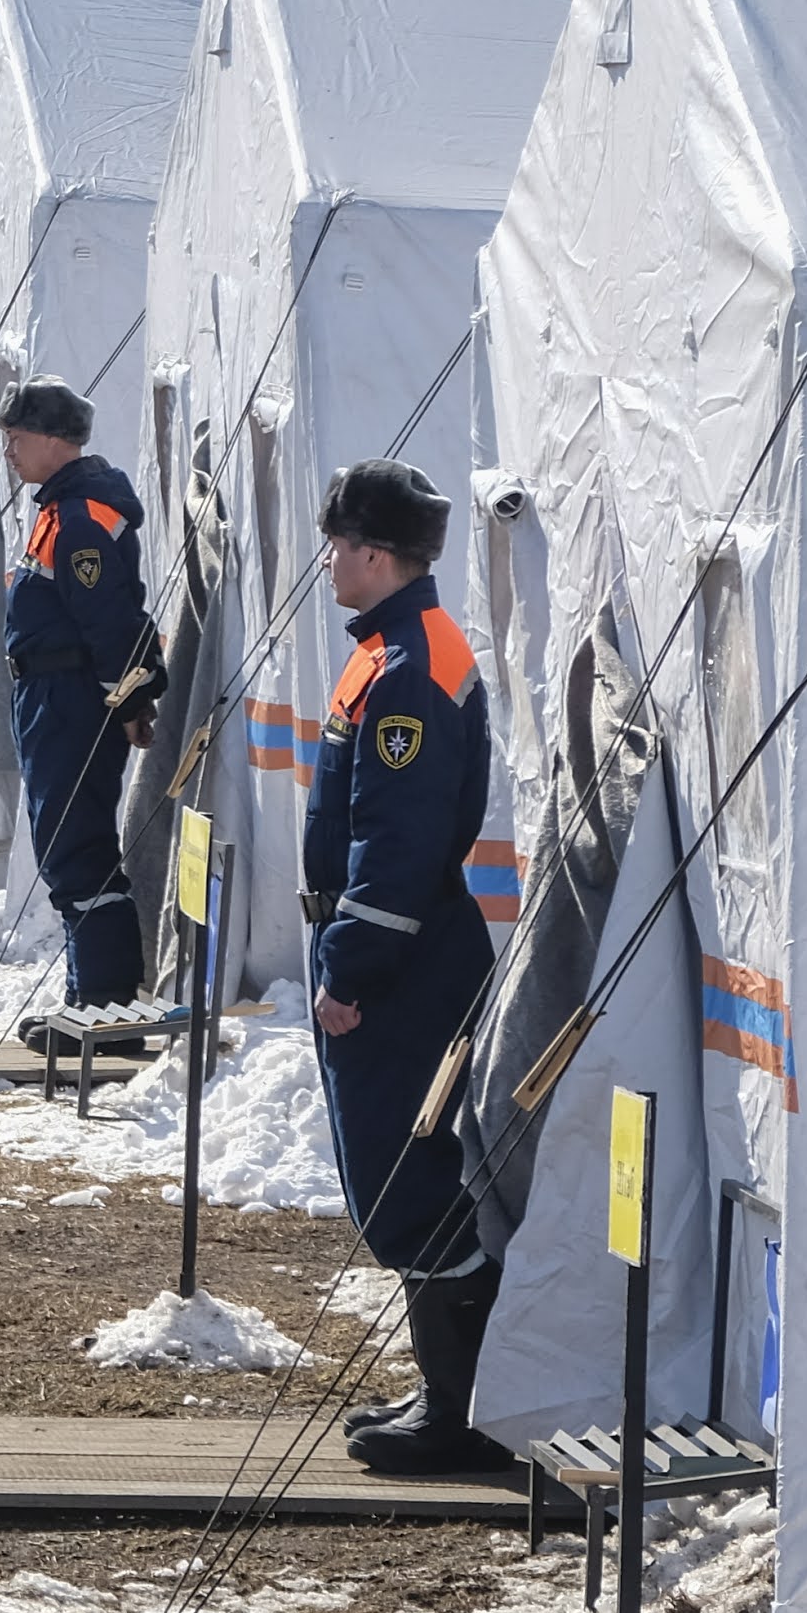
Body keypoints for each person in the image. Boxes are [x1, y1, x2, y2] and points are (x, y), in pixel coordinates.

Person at [302, 459, 507, 1481]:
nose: (329, 562)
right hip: (395, 947)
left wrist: (349, 966)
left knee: (411, 1180)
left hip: (402, 958)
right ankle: (444, 1387)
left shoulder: (409, 672)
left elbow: (398, 845)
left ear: (376, 554)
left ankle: (461, 1411)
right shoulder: (392, 649)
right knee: (395, 1176)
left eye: (338, 545)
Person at [0, 381, 162, 1020]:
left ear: (52, 440)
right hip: (47, 693)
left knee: (76, 843)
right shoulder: (58, 508)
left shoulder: (81, 518)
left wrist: (129, 703)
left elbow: (109, 621)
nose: (9, 451)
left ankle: (103, 999)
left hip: (69, 697)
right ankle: (88, 993)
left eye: (16, 438)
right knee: (63, 840)